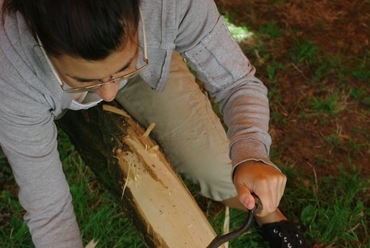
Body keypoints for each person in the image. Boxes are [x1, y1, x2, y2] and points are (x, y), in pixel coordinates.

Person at [0, 0, 311, 247]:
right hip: (35, 87)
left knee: (220, 175)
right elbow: (49, 210)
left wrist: (252, 153)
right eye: (83, 78)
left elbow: (236, 83)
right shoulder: (11, 66)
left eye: (120, 67)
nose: (108, 95)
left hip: (140, 72)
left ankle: (267, 213)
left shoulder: (170, 4)